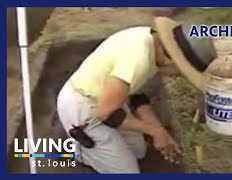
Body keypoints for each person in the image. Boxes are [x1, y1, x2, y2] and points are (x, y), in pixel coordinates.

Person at [57, 17, 217, 173]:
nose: (177, 76)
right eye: (180, 71)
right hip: (83, 107)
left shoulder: (152, 42)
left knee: (139, 151)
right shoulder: (138, 59)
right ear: (171, 60)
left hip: (110, 101)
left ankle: (102, 150)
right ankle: (79, 151)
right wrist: (155, 132)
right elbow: (107, 114)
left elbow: (137, 97)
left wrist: (159, 130)